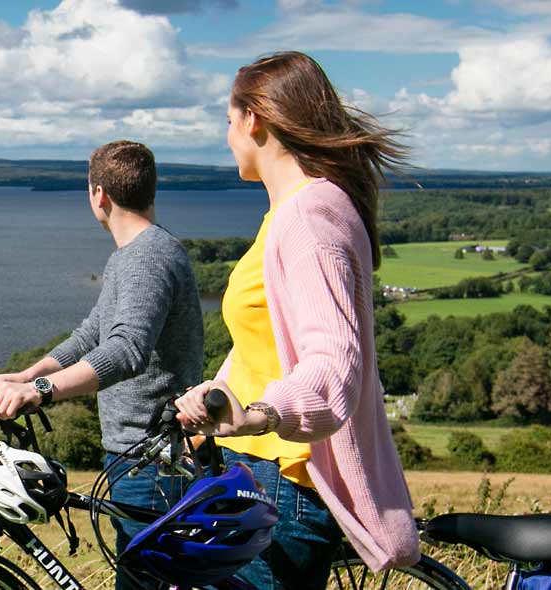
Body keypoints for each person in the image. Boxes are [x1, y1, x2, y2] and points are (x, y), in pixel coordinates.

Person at [172, 50, 420, 589]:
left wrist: (259, 414)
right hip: (259, 474)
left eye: (229, 122)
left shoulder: (309, 220)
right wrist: (214, 393)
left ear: (253, 121)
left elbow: (333, 367)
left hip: (284, 482)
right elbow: (267, 341)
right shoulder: (296, 212)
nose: (228, 137)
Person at [0, 140, 205, 590]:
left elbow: (125, 350)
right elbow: (91, 335)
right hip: (135, 457)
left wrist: (40, 392)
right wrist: (27, 376)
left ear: (98, 194)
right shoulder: (132, 255)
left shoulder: (147, 258)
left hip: (153, 464)